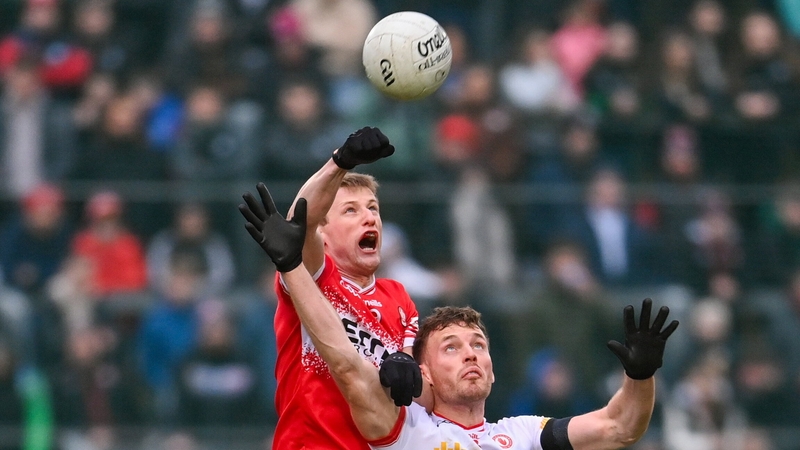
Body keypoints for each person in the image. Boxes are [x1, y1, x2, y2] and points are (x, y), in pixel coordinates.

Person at [240, 184, 680, 449]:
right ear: (424, 371)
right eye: (451, 347)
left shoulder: (521, 435)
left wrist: (640, 377)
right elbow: (346, 365)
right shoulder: (405, 429)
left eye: (478, 345)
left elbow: (618, 427)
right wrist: (292, 266)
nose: (471, 354)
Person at [239, 127, 423, 449]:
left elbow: (407, 380)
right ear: (323, 234)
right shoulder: (313, 275)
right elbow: (299, 223)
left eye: (373, 208)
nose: (369, 218)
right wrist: (341, 162)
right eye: (351, 210)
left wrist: (404, 365)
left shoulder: (399, 297)